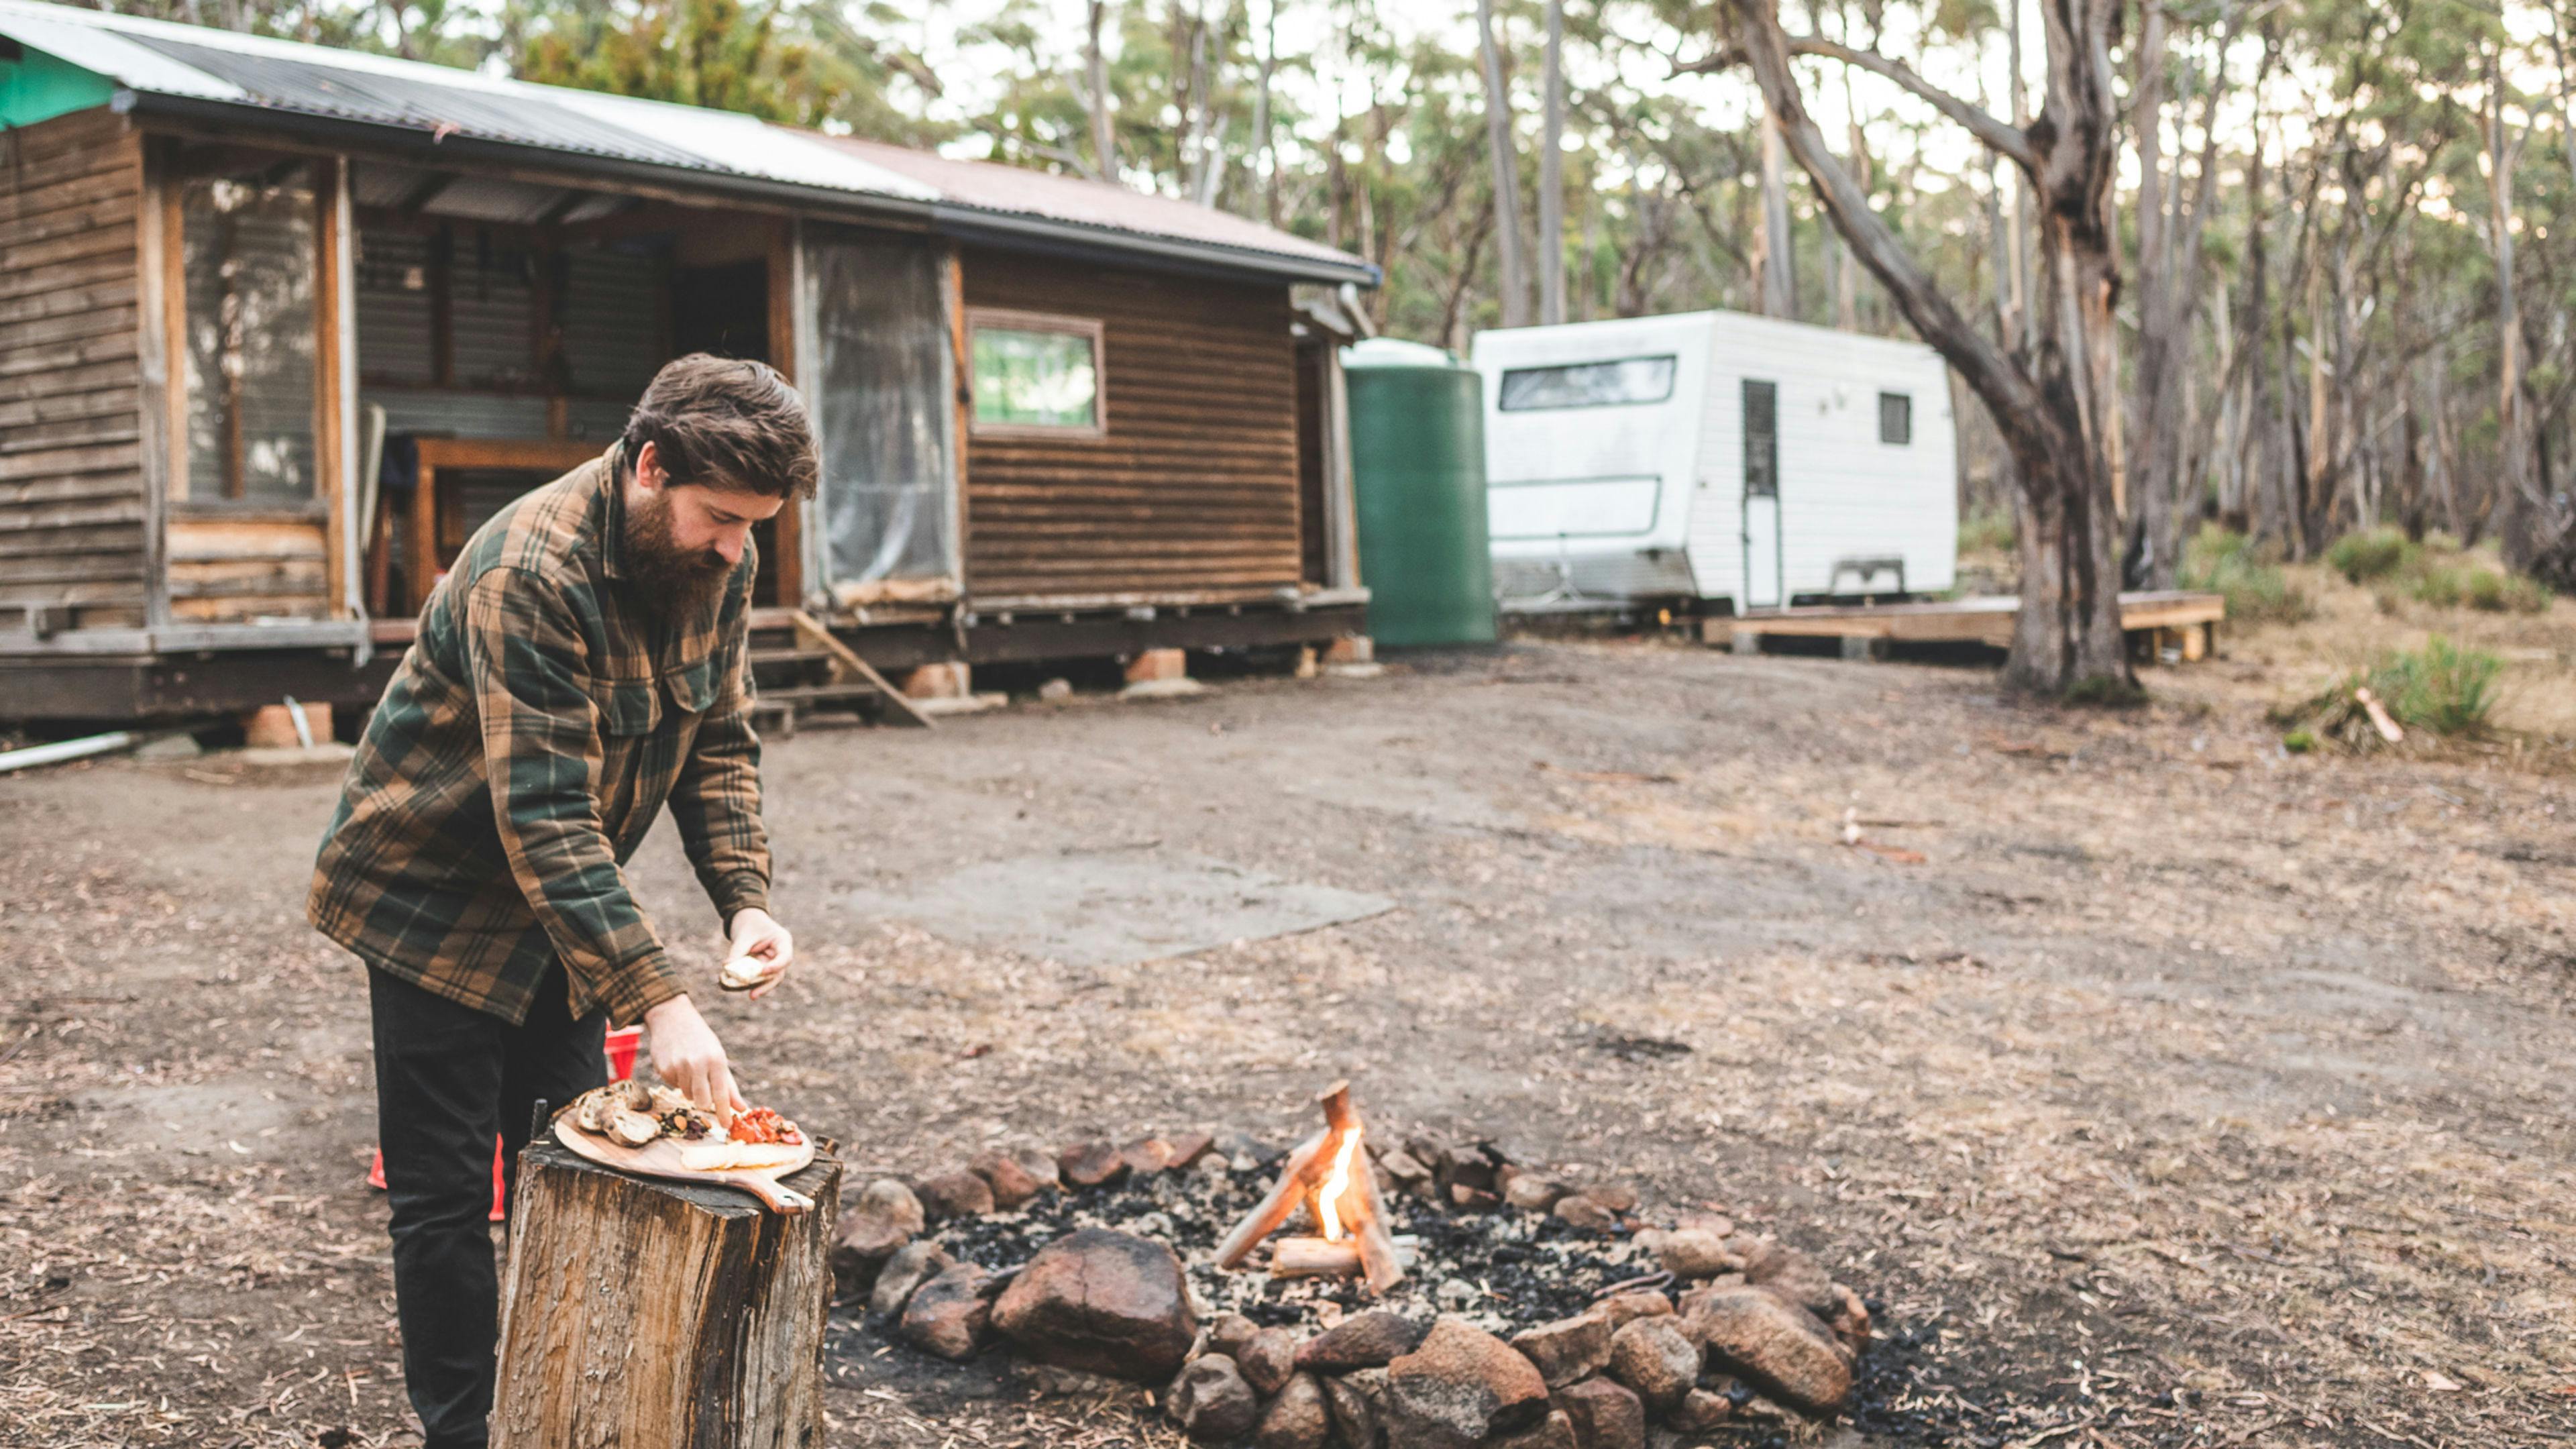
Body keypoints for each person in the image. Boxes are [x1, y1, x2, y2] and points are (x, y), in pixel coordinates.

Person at [307, 354, 817, 1449]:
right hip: (430, 902)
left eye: (753, 526)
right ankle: (465, 1429)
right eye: (721, 518)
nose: (739, 548)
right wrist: (661, 1001)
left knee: (580, 1164)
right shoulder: (530, 571)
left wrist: (744, 900)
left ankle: (562, 1410)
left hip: (560, 912)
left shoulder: (716, 553)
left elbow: (716, 741)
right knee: (445, 1199)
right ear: (648, 466)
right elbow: (544, 815)